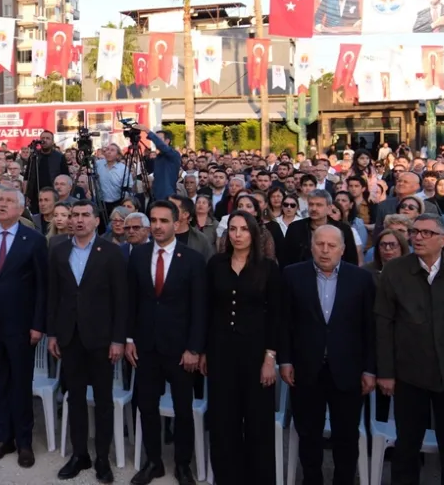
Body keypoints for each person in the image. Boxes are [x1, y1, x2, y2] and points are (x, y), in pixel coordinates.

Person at [375, 213, 444, 485]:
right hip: (409, 375)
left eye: (426, 233)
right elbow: (383, 324)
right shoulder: (395, 271)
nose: (418, 237)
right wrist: (386, 372)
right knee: (407, 448)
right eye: (415, 232)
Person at [280, 225, 376, 485]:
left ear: (343, 249)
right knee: (308, 434)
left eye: (331, 245)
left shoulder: (362, 279)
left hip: (348, 371)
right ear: (311, 246)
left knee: (345, 436)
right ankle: (312, 480)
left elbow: (369, 328)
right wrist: (286, 360)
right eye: (319, 244)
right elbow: (285, 323)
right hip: (305, 369)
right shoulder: (292, 275)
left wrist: (369, 369)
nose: (325, 250)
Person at [126, 200, 207, 485]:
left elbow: (200, 308)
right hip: (146, 347)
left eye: (163, 221)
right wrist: (129, 339)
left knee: (183, 410)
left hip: (181, 349)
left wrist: (194, 348)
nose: (158, 226)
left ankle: (183, 464)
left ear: (176, 223)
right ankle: (154, 462)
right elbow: (131, 301)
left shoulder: (193, 260)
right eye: (154, 220)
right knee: (146, 406)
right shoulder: (138, 255)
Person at [47, 200, 126, 483]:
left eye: (84, 215)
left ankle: (102, 457)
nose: (78, 220)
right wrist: (53, 333)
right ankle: (80, 454)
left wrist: (118, 339)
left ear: (95, 221)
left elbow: (121, 300)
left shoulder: (112, 253)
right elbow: (53, 296)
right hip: (70, 337)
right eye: (74, 215)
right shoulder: (58, 251)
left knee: (103, 400)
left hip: (102, 338)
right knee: (75, 398)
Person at [201, 210, 280, 484]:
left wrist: (270, 358)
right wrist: (203, 351)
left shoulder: (268, 268)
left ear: (254, 234)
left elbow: (276, 316)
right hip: (221, 352)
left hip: (256, 354)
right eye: (233, 229)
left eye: (243, 229)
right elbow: (207, 309)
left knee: (258, 423)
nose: (237, 235)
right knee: (224, 421)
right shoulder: (216, 264)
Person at [0, 185, 48, 468]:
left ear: (20, 208)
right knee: (0, 382)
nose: (1, 205)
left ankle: (24, 442)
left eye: (8, 201)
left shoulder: (34, 239)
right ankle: (4, 438)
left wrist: (38, 325)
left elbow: (42, 286)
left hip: (22, 325)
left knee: (20, 383)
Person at [280, 190, 359, 267]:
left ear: (329, 208)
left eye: (319, 205)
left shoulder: (343, 230)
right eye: (311, 204)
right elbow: (286, 260)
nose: (314, 208)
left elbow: (351, 261)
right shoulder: (295, 228)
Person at [24, 130, 70, 210]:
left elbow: (65, 177)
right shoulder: (34, 156)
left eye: (47, 138)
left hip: (54, 194)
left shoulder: (59, 157)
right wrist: (26, 195)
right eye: (43, 138)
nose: (44, 140)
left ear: (52, 142)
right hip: (35, 196)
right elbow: (26, 177)